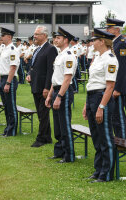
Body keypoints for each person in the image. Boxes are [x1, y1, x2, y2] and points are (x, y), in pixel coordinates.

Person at [82, 28, 118, 182]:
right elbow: (91, 83)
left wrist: (101, 107)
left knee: (105, 137)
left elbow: (110, 86)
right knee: (96, 137)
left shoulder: (110, 59)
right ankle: (98, 170)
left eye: (94, 40)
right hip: (92, 96)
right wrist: (86, 105)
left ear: (102, 41)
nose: (92, 42)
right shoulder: (97, 57)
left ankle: (107, 173)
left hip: (101, 97)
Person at [45, 27, 76, 163]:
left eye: (58, 38)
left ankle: (69, 155)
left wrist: (59, 96)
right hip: (57, 90)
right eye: (55, 38)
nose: (55, 40)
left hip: (64, 92)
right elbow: (55, 78)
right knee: (57, 125)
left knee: (64, 124)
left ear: (66, 40)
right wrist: (50, 95)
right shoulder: (59, 55)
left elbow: (67, 79)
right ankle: (59, 151)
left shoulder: (69, 55)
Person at [26, 25, 58, 147]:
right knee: (40, 113)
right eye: (34, 34)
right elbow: (33, 66)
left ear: (44, 35)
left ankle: (41, 138)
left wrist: (47, 87)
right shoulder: (37, 49)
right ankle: (47, 136)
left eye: (37, 34)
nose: (34, 36)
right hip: (35, 84)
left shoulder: (50, 49)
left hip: (43, 86)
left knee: (43, 113)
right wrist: (29, 74)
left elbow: (51, 70)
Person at [0, 27, 20, 137]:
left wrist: (8, 83)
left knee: (11, 106)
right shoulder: (5, 49)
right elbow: (2, 68)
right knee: (6, 106)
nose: (1, 37)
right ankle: (8, 128)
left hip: (9, 79)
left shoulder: (12, 50)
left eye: (3, 35)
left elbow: (12, 67)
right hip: (3, 78)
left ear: (9, 37)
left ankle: (12, 130)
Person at [106, 18, 126, 139]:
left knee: (118, 116)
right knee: (115, 116)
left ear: (116, 29)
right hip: (117, 85)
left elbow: (122, 67)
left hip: (121, 86)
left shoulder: (122, 43)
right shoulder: (114, 42)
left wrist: (117, 88)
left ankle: (123, 140)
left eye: (109, 28)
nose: (107, 30)